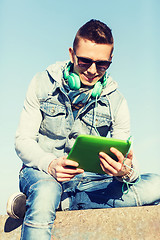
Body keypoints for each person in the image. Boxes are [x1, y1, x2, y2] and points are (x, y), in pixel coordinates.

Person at [7, 19, 160, 240]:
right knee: (47, 190)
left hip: (89, 182)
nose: (91, 70)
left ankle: (57, 203)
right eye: (84, 61)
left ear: (110, 61)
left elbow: (127, 158)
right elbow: (23, 140)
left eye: (101, 64)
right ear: (72, 54)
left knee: (155, 184)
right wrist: (50, 165)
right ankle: (48, 198)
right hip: (41, 173)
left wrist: (125, 171)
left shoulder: (117, 101)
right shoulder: (42, 83)